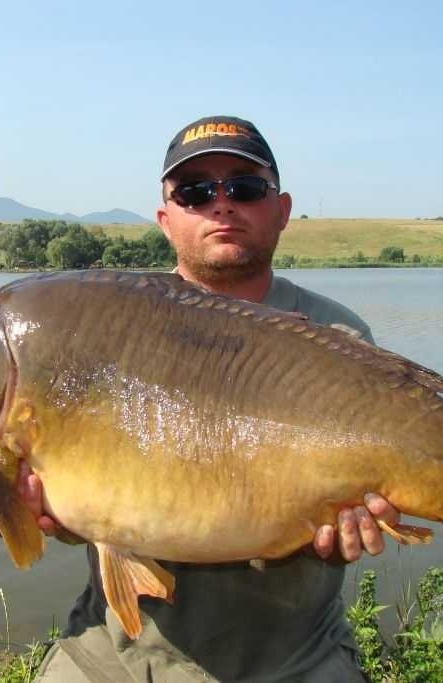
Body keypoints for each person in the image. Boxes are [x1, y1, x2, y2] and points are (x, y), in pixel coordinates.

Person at [34, 116, 401, 682]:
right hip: (114, 653)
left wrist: (339, 533)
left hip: (294, 658)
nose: (221, 204)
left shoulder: (337, 337)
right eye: (196, 192)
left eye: (245, 188)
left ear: (280, 210)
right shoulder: (108, 325)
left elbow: (353, 512)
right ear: (165, 219)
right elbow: (33, 505)